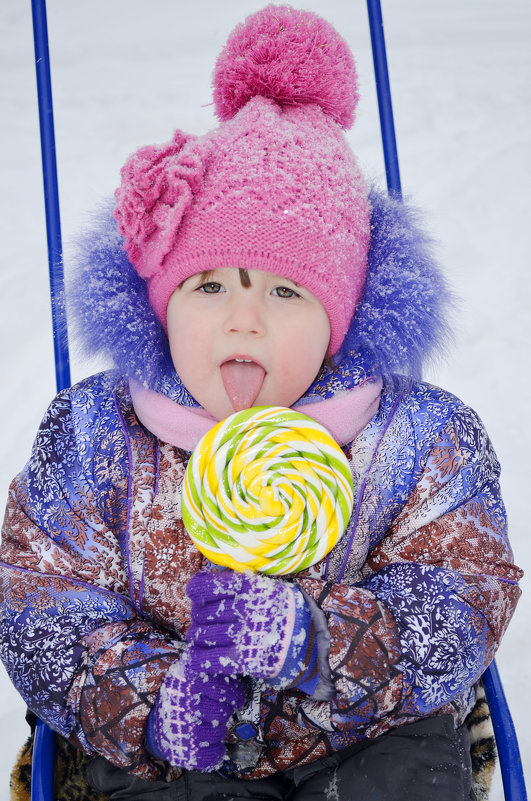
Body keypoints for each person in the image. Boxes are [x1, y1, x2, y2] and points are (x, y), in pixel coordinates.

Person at [0, 6, 522, 801]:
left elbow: (459, 591)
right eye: (207, 286)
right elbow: (43, 603)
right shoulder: (93, 435)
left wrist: (317, 641)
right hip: (167, 749)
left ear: (341, 318)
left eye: (284, 290)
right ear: (159, 303)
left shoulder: (419, 435)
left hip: (366, 730)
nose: (242, 318)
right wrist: (151, 702)